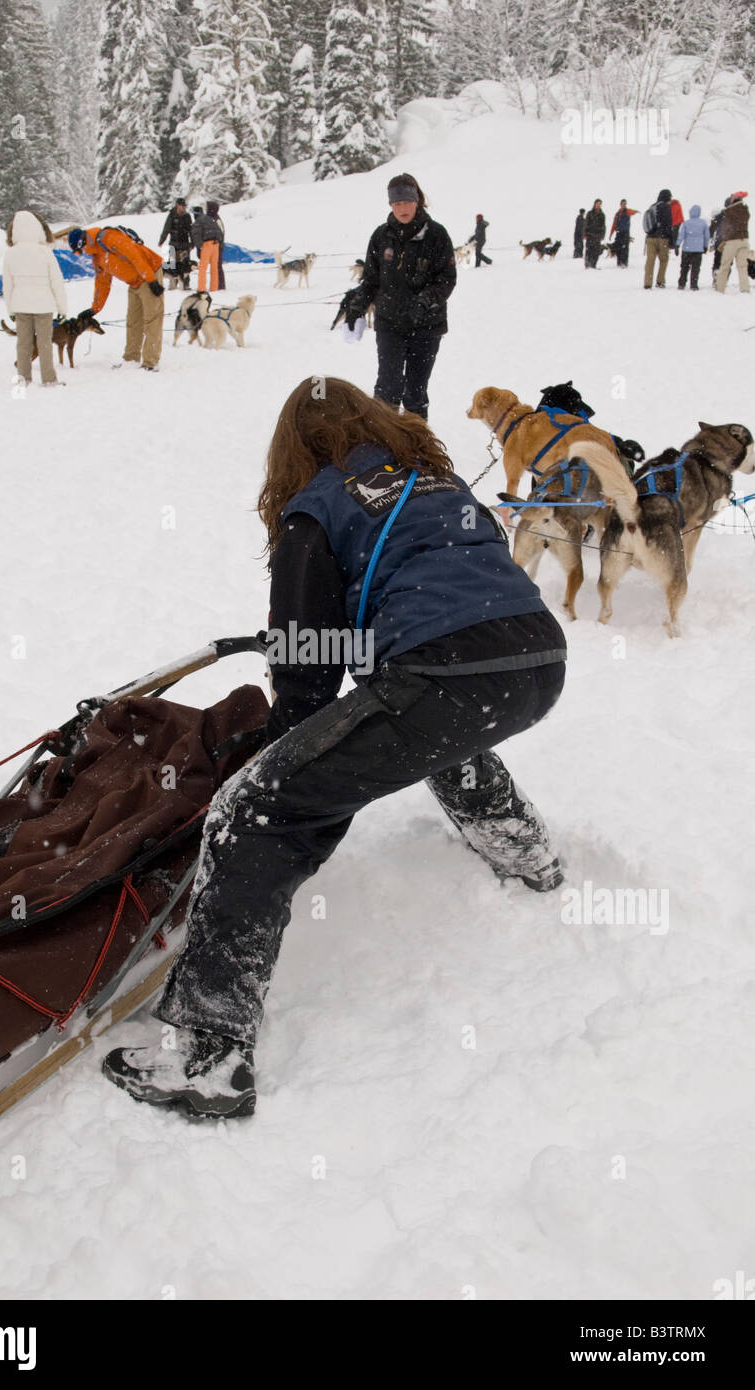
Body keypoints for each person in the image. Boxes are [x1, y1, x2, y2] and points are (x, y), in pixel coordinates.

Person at [102, 377, 567, 1119]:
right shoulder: (434, 483)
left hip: (443, 671)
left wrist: (285, 760)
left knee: (253, 813)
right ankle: (526, 853)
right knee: (434, 727)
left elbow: (307, 673)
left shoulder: (314, 510)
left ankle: (205, 1054)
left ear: (295, 448)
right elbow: (454, 581)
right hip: (538, 661)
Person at [345, 173, 456, 420]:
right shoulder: (381, 236)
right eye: (396, 204)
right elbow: (371, 279)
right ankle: (383, 443)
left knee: (415, 392)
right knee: (387, 389)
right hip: (390, 323)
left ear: (417, 201)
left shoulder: (436, 235)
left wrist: (425, 301)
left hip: (427, 326)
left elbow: (447, 279)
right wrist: (357, 306)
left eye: (406, 202)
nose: (402, 208)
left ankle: (417, 448)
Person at [68, 225, 165, 370]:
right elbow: (102, 283)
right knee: (133, 321)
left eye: (78, 251)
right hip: (134, 282)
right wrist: (95, 309)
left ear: (82, 243)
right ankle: (131, 359)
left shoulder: (108, 237)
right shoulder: (97, 256)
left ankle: (150, 363)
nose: (81, 254)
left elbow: (135, 255)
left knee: (152, 319)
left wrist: (151, 280)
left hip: (149, 273)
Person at [3, 209, 68, 388]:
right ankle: (49, 379)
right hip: (44, 305)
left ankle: (23, 378)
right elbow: (57, 282)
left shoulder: (11, 253)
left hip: (20, 305)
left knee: (23, 344)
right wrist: (63, 309)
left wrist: (10, 310)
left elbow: (7, 286)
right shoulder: (45, 252)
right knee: (44, 343)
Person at [715, 191, 750, 294]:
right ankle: (745, 289)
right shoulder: (746, 211)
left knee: (725, 265)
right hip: (744, 240)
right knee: (742, 266)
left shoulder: (728, 212)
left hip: (732, 241)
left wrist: (723, 241)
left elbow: (726, 228)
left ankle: (720, 288)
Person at [158, 197, 193, 289]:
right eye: (182, 206)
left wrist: (192, 244)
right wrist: (161, 241)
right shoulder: (171, 215)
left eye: (185, 206)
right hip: (174, 244)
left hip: (185, 244)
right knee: (172, 265)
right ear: (177, 205)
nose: (184, 208)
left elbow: (191, 231)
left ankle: (186, 284)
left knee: (185, 265)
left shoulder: (187, 216)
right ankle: (173, 284)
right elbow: (166, 229)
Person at [642, 189, 674, 288]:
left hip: (650, 237)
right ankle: (660, 281)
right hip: (662, 238)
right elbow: (668, 224)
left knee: (650, 260)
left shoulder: (652, 206)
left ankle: (647, 282)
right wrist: (671, 239)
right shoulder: (666, 207)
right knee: (663, 259)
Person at [191, 200, 225, 293]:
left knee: (203, 268)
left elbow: (196, 235)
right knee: (214, 267)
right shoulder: (211, 219)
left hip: (207, 245)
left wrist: (200, 246)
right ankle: (214, 287)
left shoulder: (198, 221)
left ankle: (201, 288)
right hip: (216, 245)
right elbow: (220, 233)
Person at [676, 204, 710, 290]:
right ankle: (694, 284)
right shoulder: (703, 223)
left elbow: (681, 235)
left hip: (687, 249)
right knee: (696, 268)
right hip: (698, 250)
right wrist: (705, 246)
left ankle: (682, 283)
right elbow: (707, 236)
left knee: (684, 267)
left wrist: (677, 245)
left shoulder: (686, 223)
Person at [609, 199, 638, 267]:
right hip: (619, 233)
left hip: (625, 233)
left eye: (625, 204)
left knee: (625, 248)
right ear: (620, 204)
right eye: (623, 204)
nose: (624, 205)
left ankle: (624, 263)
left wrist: (636, 211)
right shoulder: (617, 214)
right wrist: (611, 234)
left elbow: (632, 212)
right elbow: (614, 224)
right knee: (619, 248)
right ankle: (619, 263)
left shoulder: (627, 211)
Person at [583, 199, 605, 268]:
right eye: (597, 204)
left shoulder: (602, 215)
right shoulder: (589, 213)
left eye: (599, 204)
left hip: (598, 236)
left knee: (596, 252)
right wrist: (584, 234)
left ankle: (593, 265)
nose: (598, 205)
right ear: (594, 204)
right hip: (590, 235)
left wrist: (602, 235)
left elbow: (603, 226)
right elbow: (585, 224)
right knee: (588, 251)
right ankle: (587, 265)